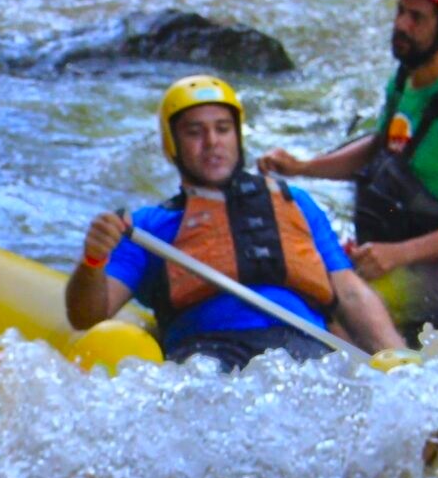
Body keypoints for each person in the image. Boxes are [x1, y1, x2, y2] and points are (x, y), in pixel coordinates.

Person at [67, 75, 405, 370]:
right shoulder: (147, 227)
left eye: (222, 129)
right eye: (195, 132)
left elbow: (350, 291)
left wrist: (399, 358)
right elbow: (87, 315)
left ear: (237, 137)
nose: (212, 142)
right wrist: (93, 259)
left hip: (301, 350)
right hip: (207, 352)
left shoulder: (295, 203)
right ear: (172, 145)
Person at [261, 0, 438, 333]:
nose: (401, 25)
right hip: (393, 253)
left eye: (416, 18)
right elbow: (380, 148)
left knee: (341, 310)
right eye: (400, 12)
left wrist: (397, 255)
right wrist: (303, 167)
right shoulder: (404, 82)